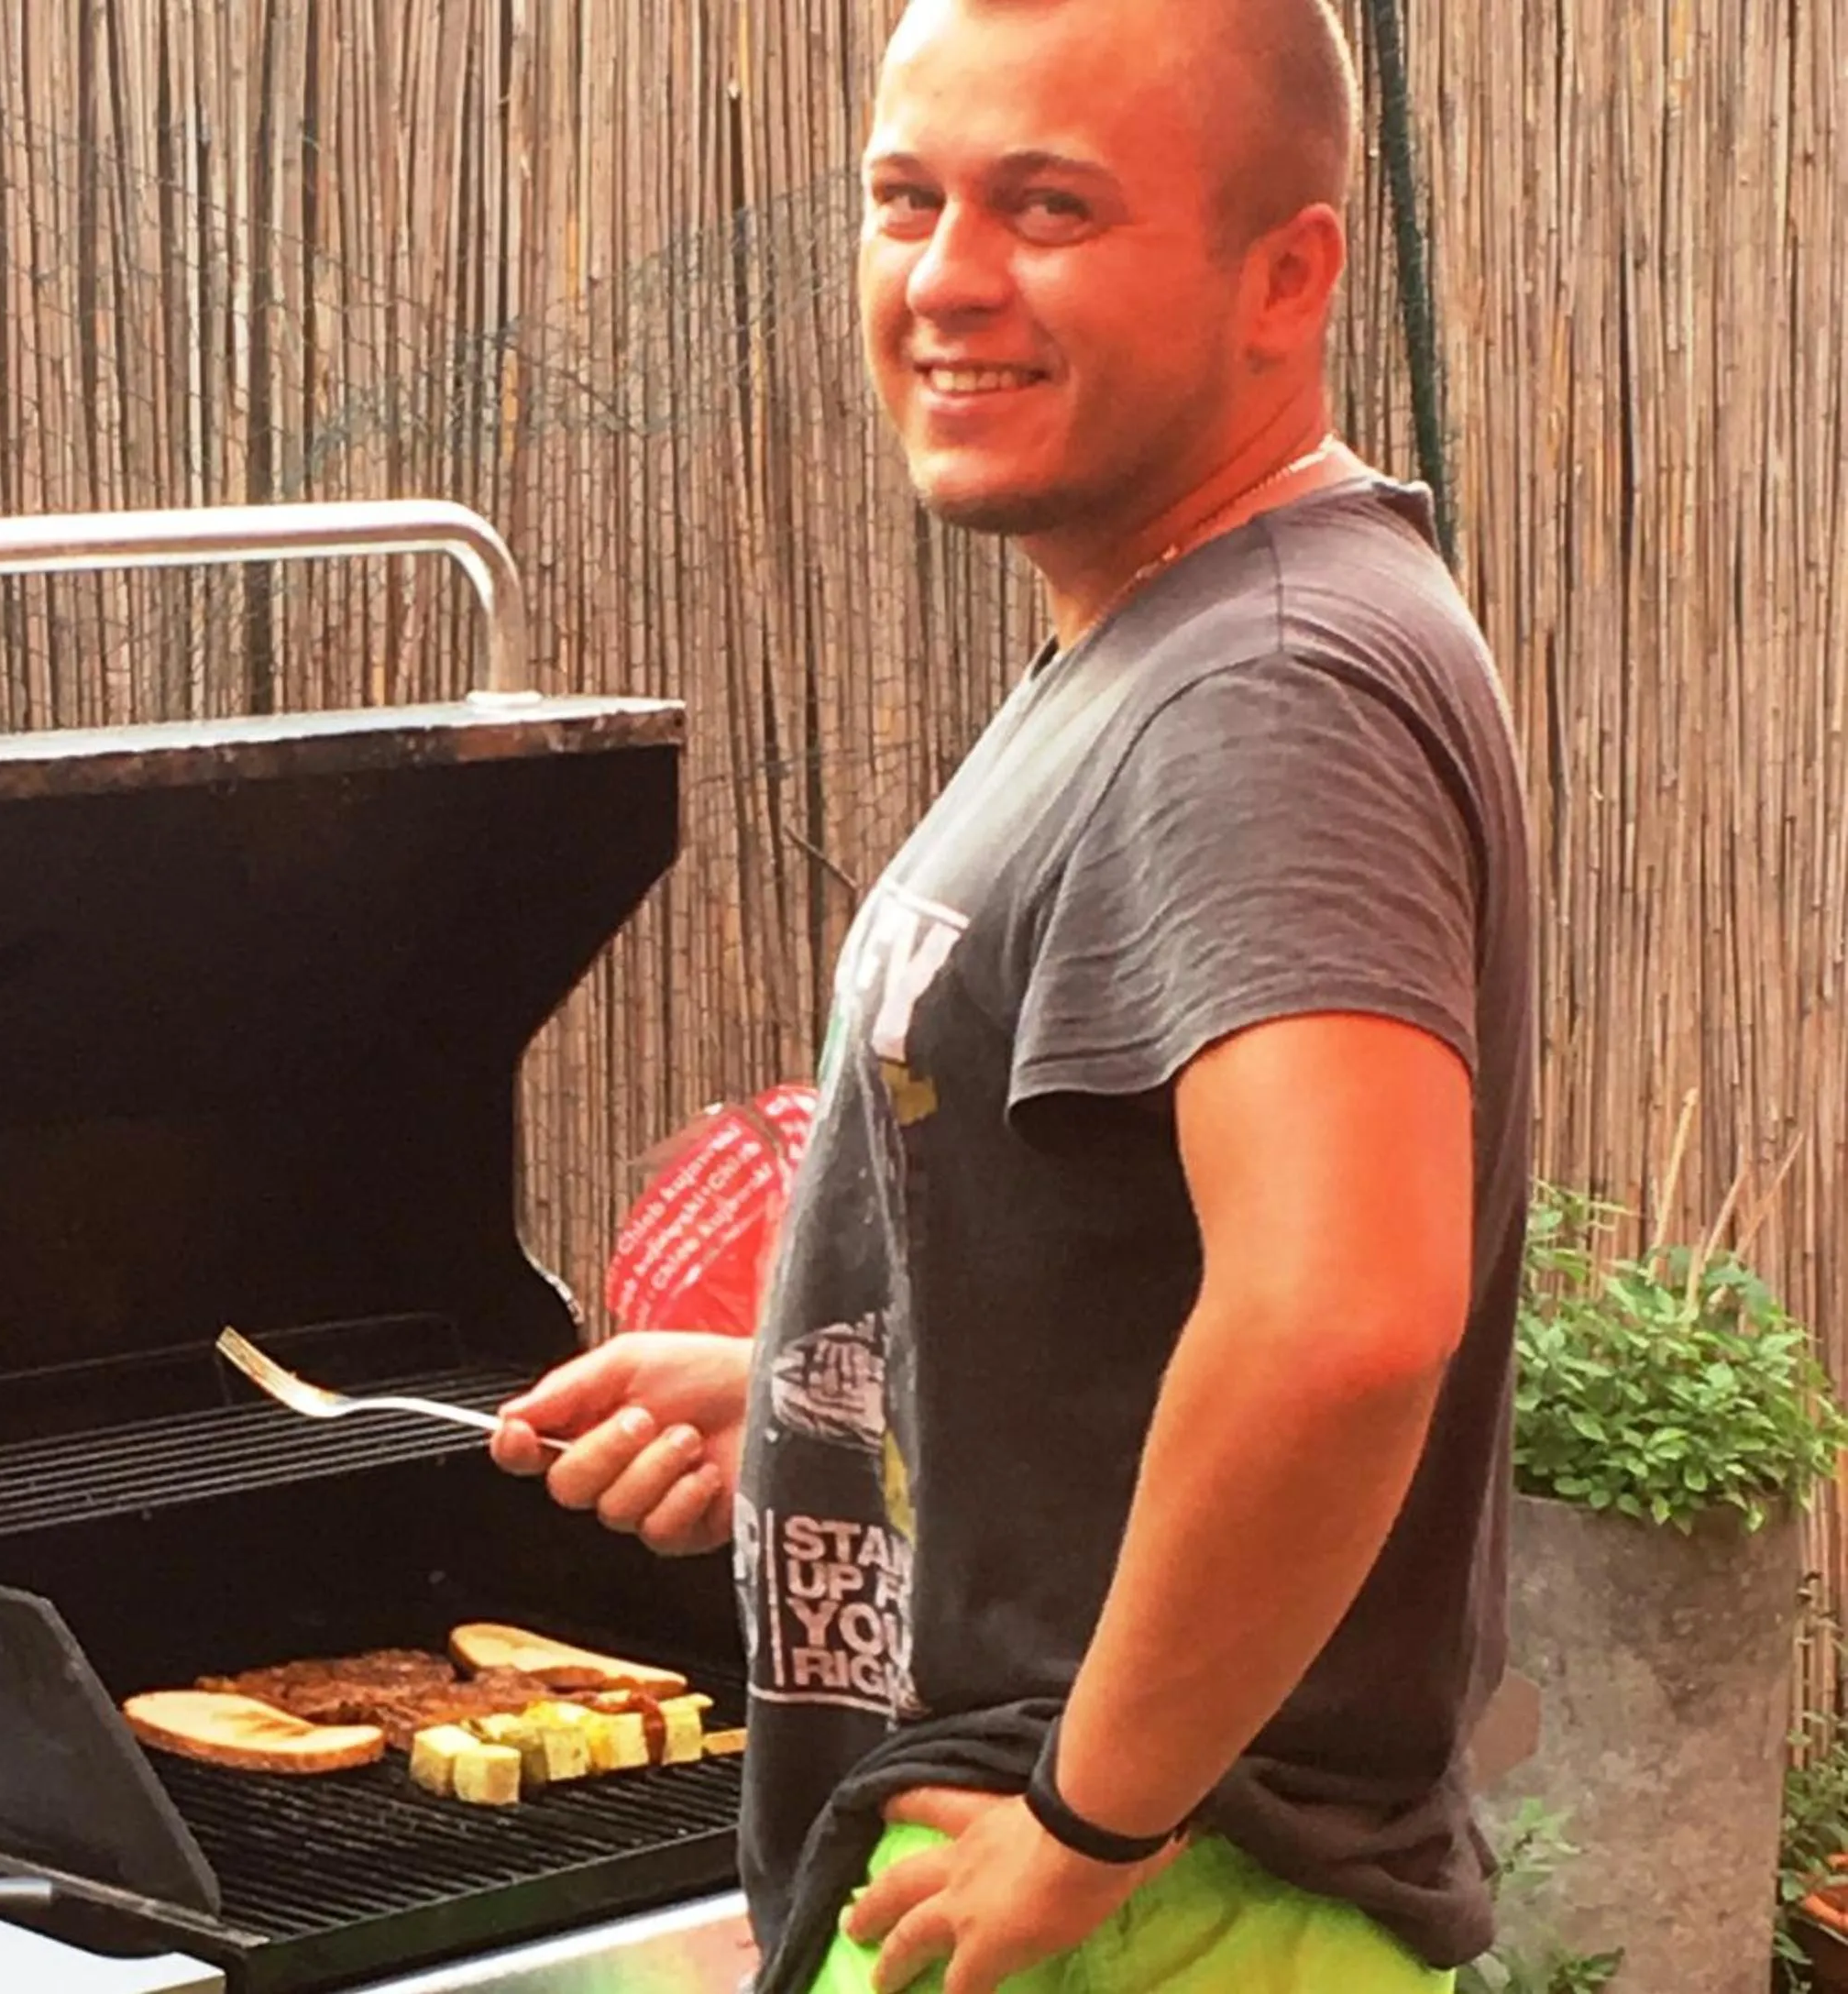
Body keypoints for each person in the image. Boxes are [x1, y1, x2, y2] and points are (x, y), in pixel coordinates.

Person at [490, 0, 1535, 1989]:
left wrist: (1084, 1821)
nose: (944, 279)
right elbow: (1148, 1260)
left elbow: (1337, 1314)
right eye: (906, 199)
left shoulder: (1267, 686)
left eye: (1047, 209)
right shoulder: (1190, 637)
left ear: (1284, 273)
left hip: (1152, 1914)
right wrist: (833, 1415)